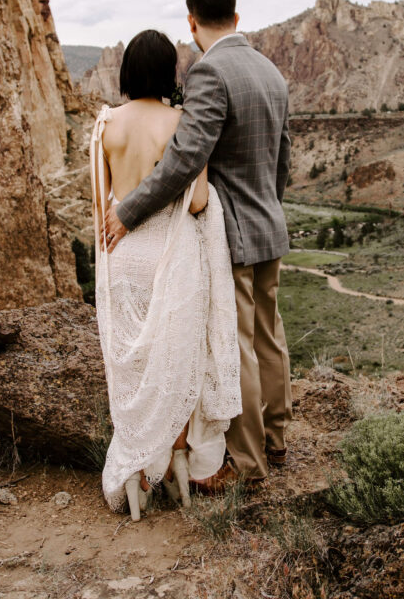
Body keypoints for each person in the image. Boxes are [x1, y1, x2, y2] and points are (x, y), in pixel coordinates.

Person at [104, 0, 292, 490]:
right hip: (270, 224)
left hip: (231, 232)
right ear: (237, 14)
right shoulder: (272, 73)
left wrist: (128, 212)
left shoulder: (211, 73)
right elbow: (282, 159)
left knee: (241, 345)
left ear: (191, 21)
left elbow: (186, 158)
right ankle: (275, 440)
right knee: (270, 337)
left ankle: (248, 463)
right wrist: (269, 206)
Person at [90, 29, 241, 520]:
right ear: (170, 75)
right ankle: (176, 461)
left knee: (130, 372)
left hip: (122, 258)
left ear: (127, 72)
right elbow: (197, 202)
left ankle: (135, 475)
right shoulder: (182, 122)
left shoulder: (104, 124)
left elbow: (100, 208)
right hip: (170, 260)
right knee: (175, 370)